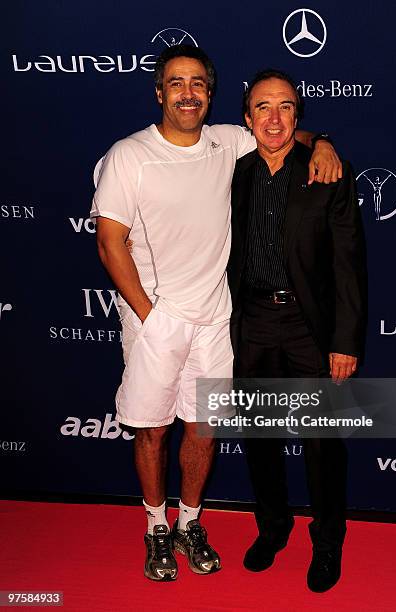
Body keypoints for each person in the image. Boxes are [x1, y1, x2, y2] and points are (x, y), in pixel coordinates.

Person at [91, 45, 341, 582]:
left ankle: (189, 522)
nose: (188, 93)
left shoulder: (227, 141)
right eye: (177, 83)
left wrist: (322, 141)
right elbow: (110, 243)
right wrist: (149, 316)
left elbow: (280, 134)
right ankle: (156, 526)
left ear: (211, 92)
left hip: (216, 319)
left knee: (203, 428)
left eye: (199, 83)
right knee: (153, 431)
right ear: (159, 93)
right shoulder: (128, 156)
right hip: (155, 318)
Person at [227, 70, 367, 592]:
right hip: (254, 324)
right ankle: (273, 528)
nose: (274, 118)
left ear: (297, 118)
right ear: (248, 119)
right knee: (260, 440)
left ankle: (328, 542)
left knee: (322, 444)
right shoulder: (232, 172)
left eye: (285, 107)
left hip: (311, 328)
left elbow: (349, 267)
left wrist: (344, 342)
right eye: (263, 107)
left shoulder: (328, 172)